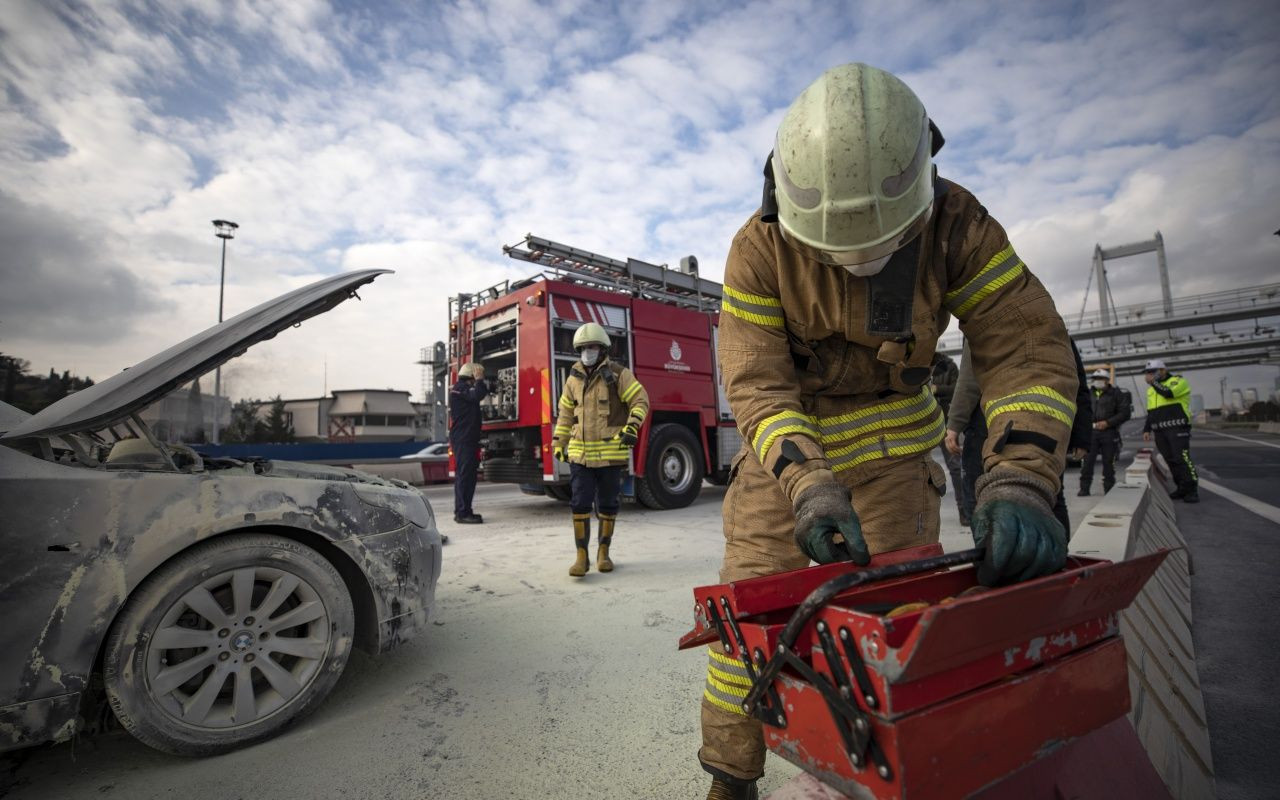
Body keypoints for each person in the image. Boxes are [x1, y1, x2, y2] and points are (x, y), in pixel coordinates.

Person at [701, 63, 1079, 800]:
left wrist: (1024, 475)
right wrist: (808, 485)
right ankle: (730, 777)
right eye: (836, 249)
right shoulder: (759, 248)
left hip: (899, 472)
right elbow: (759, 384)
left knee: (901, 637)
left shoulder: (957, 225)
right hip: (785, 481)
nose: (857, 261)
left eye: (880, 243)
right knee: (745, 633)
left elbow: (1026, 347)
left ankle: (895, 777)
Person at [551, 322, 649, 577]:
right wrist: (559, 443)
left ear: (603, 348)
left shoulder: (618, 374)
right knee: (579, 502)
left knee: (607, 504)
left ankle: (603, 553)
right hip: (580, 456)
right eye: (583, 347)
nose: (588, 351)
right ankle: (581, 557)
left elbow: (640, 400)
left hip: (609, 456)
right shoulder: (573, 379)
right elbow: (565, 414)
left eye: (592, 346)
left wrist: (632, 426)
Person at [1142, 359, 1198, 502]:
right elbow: (1151, 412)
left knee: (1182, 458)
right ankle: (1181, 487)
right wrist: (1147, 429)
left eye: (1151, 372)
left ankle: (1192, 489)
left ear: (1162, 370)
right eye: (1147, 373)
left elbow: (1168, 394)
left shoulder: (1177, 381)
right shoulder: (1151, 390)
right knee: (1170, 459)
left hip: (1177, 427)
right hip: (1160, 430)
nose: (1148, 375)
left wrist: (1154, 382)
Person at [945, 342, 984, 527]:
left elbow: (967, 382)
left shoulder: (947, 365)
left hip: (979, 423)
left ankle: (965, 512)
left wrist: (954, 424)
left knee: (960, 471)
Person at [1078, 369, 1132, 496]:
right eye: (1095, 378)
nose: (1097, 381)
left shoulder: (1116, 394)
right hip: (1091, 432)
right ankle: (1084, 488)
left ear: (1107, 380)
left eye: (1100, 378)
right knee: (1087, 462)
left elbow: (1125, 413)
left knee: (1109, 462)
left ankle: (1109, 489)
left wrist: (1108, 422)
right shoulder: (1088, 393)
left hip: (1109, 432)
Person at [930, 352, 967, 523]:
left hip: (944, 421)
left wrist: (937, 389)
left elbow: (959, 389)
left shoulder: (948, 364)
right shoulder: (911, 362)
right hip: (922, 425)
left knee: (955, 467)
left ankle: (963, 510)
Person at [449, 361, 487, 524]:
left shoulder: (463, 389)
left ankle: (465, 510)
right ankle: (462, 513)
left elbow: (479, 393)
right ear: (471, 377)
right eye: (475, 378)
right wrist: (479, 381)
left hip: (468, 438)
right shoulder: (459, 389)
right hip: (463, 439)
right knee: (464, 476)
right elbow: (477, 395)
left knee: (469, 476)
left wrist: (481, 383)